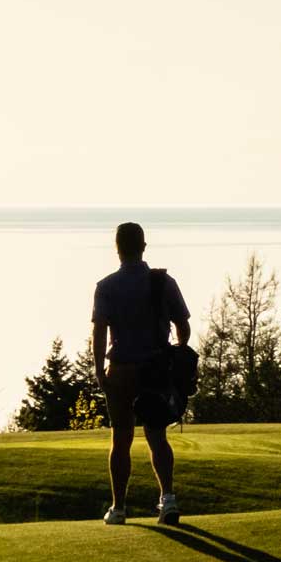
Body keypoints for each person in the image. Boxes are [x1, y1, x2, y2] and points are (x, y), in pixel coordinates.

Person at [91, 222, 191, 526]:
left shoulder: (106, 286)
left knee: (120, 439)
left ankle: (119, 508)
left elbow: (99, 332)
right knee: (157, 436)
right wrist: (175, 353)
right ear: (143, 246)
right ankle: (168, 500)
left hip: (120, 370)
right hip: (155, 370)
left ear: (117, 249)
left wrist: (98, 370)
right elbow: (183, 328)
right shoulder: (163, 282)